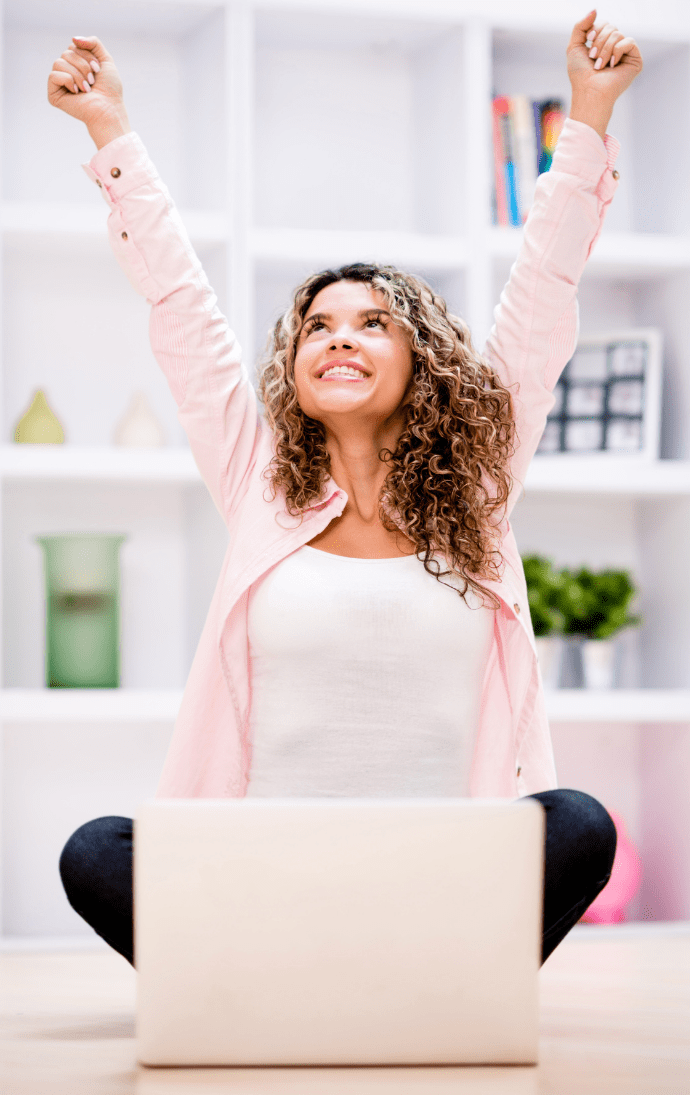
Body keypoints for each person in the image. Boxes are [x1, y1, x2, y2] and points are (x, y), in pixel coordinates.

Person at [52, 12, 642, 969]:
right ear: (295, 365)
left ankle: (390, 981)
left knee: (577, 822)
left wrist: (588, 113)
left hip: (440, 877)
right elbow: (183, 308)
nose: (338, 336)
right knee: (98, 851)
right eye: (318, 325)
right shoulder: (258, 484)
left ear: (426, 359)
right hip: (269, 876)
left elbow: (543, 291)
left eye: (373, 323)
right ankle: (301, 981)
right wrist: (109, 130)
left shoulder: (479, 490)